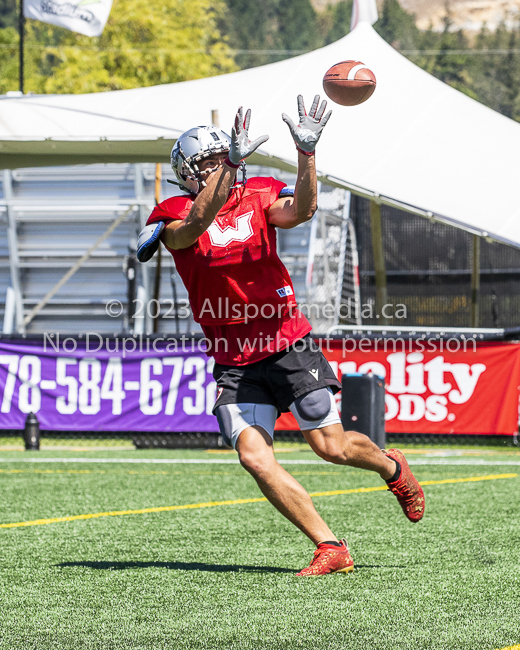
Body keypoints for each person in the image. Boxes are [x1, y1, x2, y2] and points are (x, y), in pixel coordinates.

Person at [138, 96, 425, 576]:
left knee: (330, 447)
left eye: (223, 161)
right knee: (253, 455)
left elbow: (303, 210)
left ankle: (391, 468)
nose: (219, 171)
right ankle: (330, 545)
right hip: (233, 357)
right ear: (188, 174)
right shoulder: (171, 212)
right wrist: (228, 163)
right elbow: (195, 227)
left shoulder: (260, 195)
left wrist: (306, 154)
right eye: (208, 164)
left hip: (286, 341)